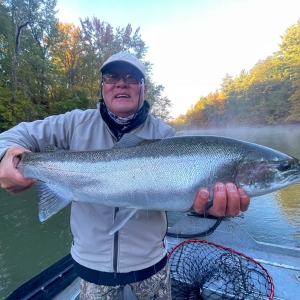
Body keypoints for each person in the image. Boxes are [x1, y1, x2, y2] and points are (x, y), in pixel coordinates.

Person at [0, 51, 250, 299]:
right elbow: (9, 138)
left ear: (144, 88)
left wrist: (206, 207)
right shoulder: (73, 123)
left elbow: (191, 195)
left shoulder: (168, 137)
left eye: (132, 77)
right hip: (91, 266)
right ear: (103, 86)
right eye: (112, 77)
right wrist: (7, 155)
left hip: (151, 264)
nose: (121, 82)